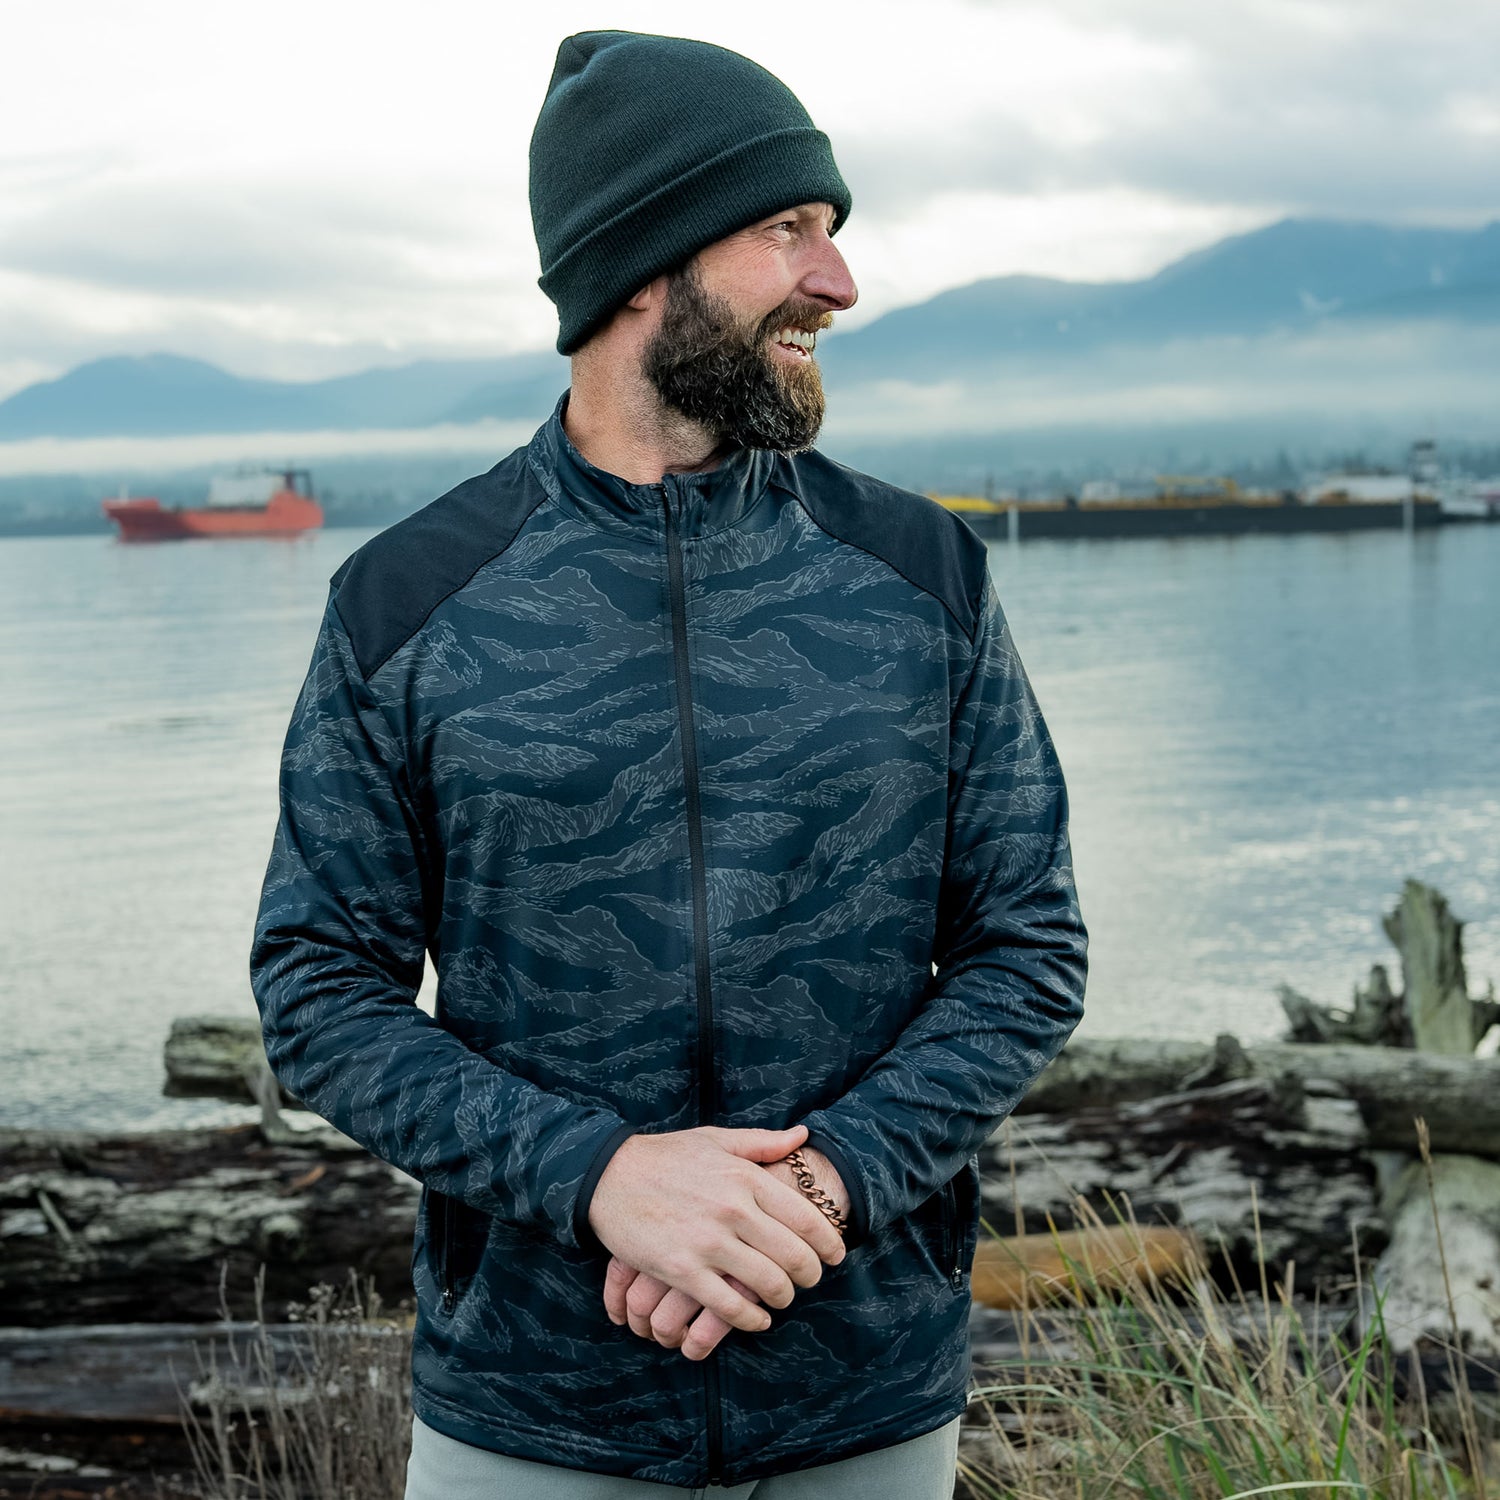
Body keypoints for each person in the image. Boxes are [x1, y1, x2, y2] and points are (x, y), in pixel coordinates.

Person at [248, 28, 1088, 1499]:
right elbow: (318, 987)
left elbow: (1028, 946)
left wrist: (820, 1192)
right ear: (643, 259)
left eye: (830, 232)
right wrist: (603, 1181)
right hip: (529, 1413)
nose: (836, 280)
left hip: (869, 1400)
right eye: (788, 230)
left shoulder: (921, 572)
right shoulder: (409, 599)